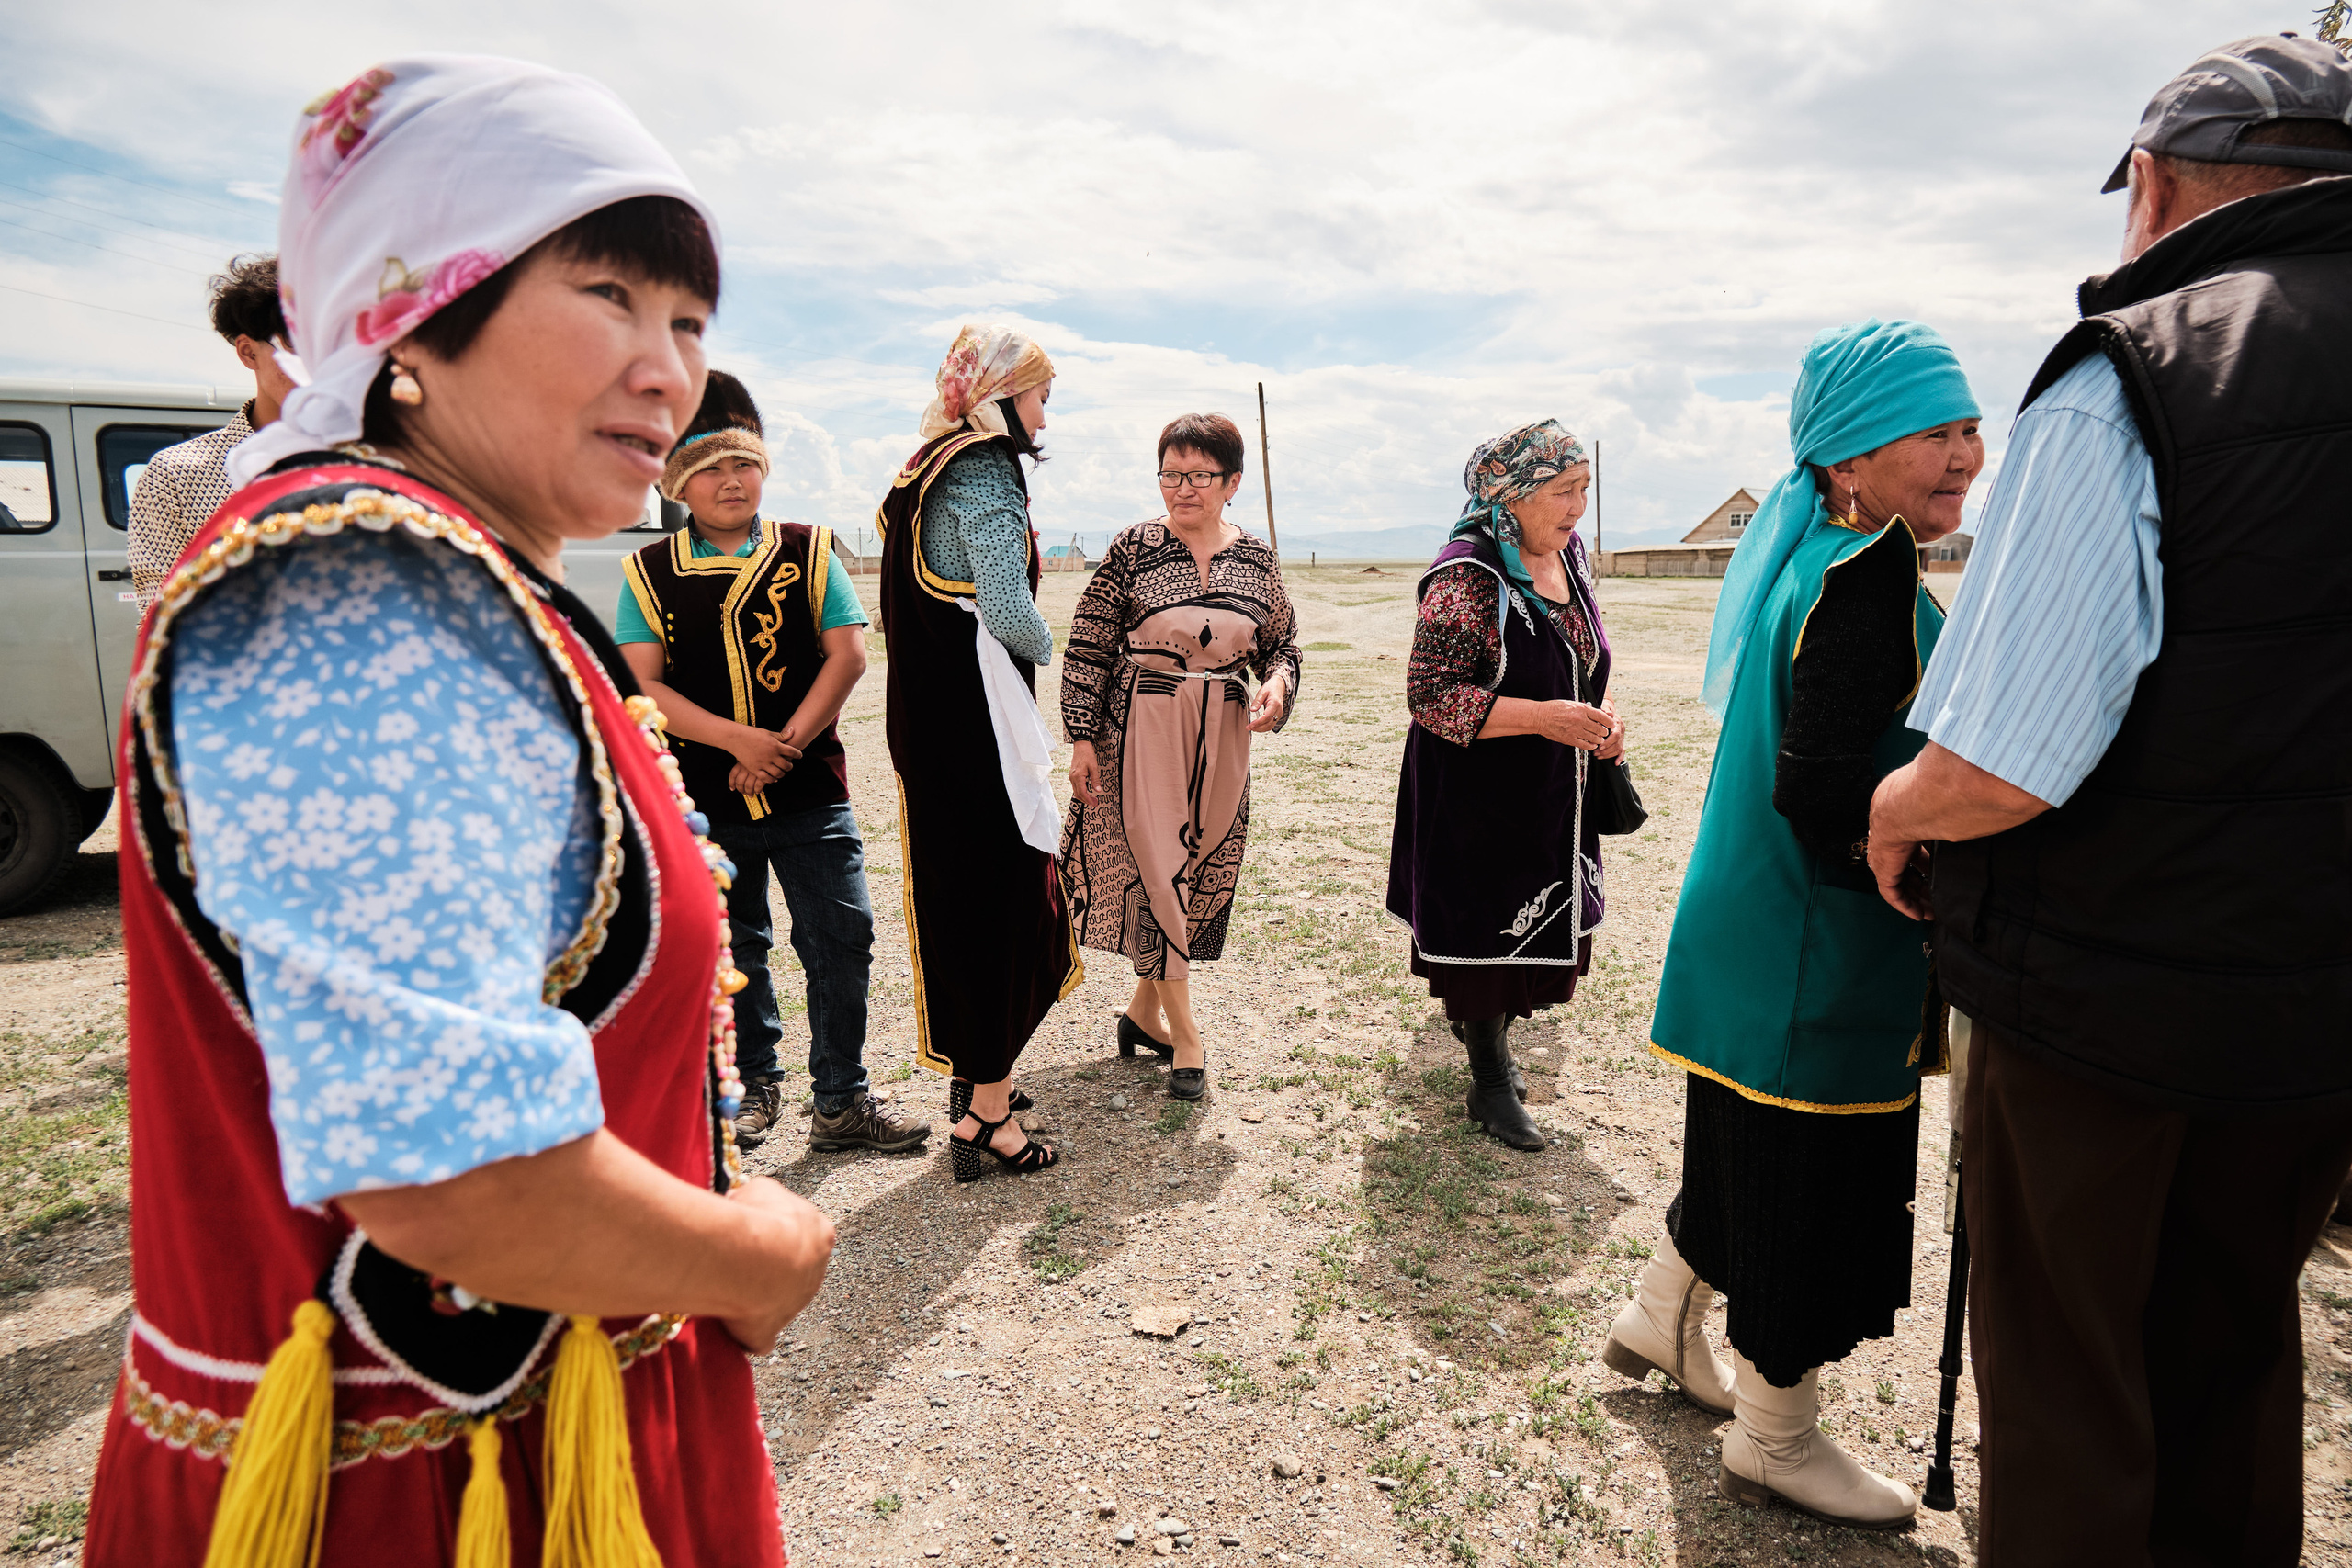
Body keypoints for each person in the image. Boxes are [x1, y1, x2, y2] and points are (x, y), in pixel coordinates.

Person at [84, 57, 835, 1567]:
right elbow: (453, 1173)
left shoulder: (466, 574)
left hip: (541, 1431)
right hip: (425, 1489)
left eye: (689, 322)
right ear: (415, 307)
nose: (669, 369)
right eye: (611, 294)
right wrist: (757, 1250)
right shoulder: (357, 585)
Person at [1866, 36, 2352, 1566]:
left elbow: (2007, 757)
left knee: (2075, 1387)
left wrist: (1896, 810)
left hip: (2108, 1000)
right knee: (2236, 1359)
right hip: (2314, 1002)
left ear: (2149, 185)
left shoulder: (2144, 365)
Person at [1625, 320, 1984, 1531]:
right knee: (1806, 1190)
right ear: (1847, 460)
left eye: (1971, 428)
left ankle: (1657, 1316)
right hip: (1810, 954)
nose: (1966, 454)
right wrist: (1930, 861)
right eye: (1933, 431)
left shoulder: (1821, 552)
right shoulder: (1864, 576)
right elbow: (1825, 784)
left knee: (1741, 1154)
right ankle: (1775, 1436)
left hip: (1751, 939)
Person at [616, 369, 927, 1156]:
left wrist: (778, 745)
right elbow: (643, 682)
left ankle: (841, 1098)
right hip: (706, 795)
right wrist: (736, 743)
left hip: (810, 786)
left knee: (840, 936)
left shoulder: (809, 547)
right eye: (711, 468)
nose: (731, 480)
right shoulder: (648, 570)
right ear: (679, 482)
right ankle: (755, 1085)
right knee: (734, 945)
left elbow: (848, 656)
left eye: (743, 464)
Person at [877, 322, 1079, 1182]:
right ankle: (987, 1118)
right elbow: (1005, 605)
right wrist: (1058, 650)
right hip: (980, 721)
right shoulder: (985, 469)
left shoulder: (918, 470)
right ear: (1000, 398)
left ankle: (976, 1074)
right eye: (1038, 396)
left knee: (957, 892)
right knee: (1008, 896)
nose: (1044, 415)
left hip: (927, 718)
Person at [1386, 419, 1619, 1152]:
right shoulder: (1467, 574)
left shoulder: (1568, 553)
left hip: (1552, 785)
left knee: (1538, 925)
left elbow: (1581, 654)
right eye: (1562, 490)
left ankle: (1491, 1040)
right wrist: (1546, 716)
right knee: (1484, 933)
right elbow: (1430, 695)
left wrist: (1601, 718)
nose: (1578, 505)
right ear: (1513, 495)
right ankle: (1489, 1079)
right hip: (1476, 792)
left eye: (1585, 487)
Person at [1061, 413, 1299, 1100]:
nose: (1182, 487)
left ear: (1232, 483)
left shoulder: (1255, 559)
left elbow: (1283, 646)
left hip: (1223, 729)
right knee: (1158, 864)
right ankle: (1184, 1031)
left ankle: (1141, 1013)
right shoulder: (1133, 547)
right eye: (1171, 473)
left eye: (1198, 475)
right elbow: (1088, 644)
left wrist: (1278, 684)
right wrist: (1082, 736)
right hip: (1143, 724)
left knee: (1198, 861)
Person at [125, 254, 297, 606]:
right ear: (249, 353)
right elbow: (160, 611)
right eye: (296, 344)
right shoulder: (176, 475)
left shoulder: (387, 454)